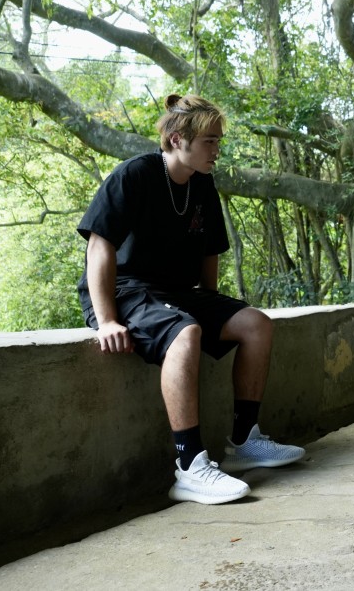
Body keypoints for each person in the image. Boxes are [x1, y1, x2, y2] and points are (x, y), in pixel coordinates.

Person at [76, 93, 304, 505]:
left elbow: (209, 251)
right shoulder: (135, 174)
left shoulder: (202, 183)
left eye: (218, 141)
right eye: (210, 142)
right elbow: (99, 247)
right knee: (185, 333)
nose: (217, 150)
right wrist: (107, 320)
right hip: (126, 289)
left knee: (256, 324)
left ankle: (244, 442)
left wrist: (213, 307)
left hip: (178, 292)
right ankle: (189, 467)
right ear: (178, 139)